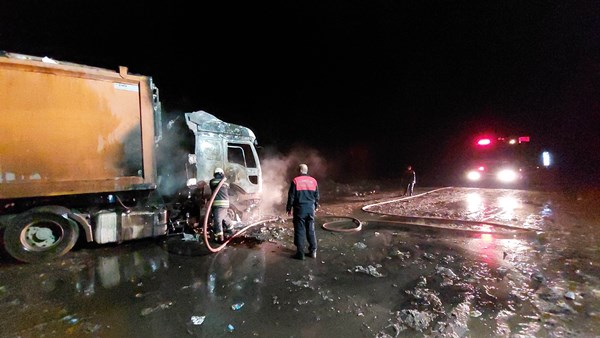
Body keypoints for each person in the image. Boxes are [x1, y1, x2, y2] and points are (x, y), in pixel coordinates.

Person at [286, 163, 320, 260]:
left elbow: (291, 196)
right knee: (311, 229)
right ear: (306, 171)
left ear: (299, 171)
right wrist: (315, 207)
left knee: (300, 230)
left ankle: (300, 254)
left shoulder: (296, 181)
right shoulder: (313, 181)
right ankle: (313, 251)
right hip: (310, 209)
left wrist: (289, 208)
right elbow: (317, 196)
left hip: (300, 209)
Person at [209, 167, 235, 243]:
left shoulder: (212, 181)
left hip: (218, 205)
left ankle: (220, 237)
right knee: (225, 216)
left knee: (218, 220)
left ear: (215, 174)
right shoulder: (226, 183)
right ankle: (231, 230)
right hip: (226, 203)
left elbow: (213, 187)